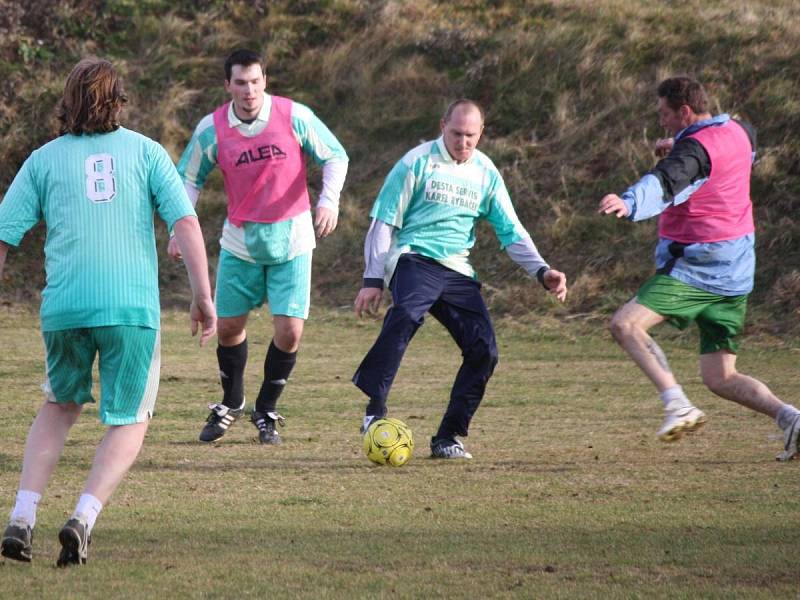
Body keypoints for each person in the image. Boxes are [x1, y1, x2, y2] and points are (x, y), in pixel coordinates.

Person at [0, 58, 216, 567]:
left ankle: (21, 517)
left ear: (67, 101)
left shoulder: (43, 159)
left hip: (65, 307)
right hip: (130, 307)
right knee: (129, 418)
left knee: (59, 406)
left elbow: (5, 234)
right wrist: (203, 294)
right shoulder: (146, 152)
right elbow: (184, 223)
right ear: (119, 100)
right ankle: (82, 518)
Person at [352, 99, 568, 460]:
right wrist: (372, 277)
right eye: (456, 133)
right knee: (406, 314)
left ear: (481, 133)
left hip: (457, 270)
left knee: (485, 351)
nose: (463, 142)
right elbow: (383, 222)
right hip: (414, 257)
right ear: (442, 126)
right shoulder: (416, 162)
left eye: (471, 135)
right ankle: (375, 411)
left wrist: (542, 271)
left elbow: (511, 230)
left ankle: (448, 437)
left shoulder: (486, 173)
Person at [598, 76, 800, 460]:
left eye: (665, 114)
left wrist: (628, 202)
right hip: (737, 272)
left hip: (701, 268)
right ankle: (792, 418)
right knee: (720, 377)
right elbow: (728, 153)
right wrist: (678, 145)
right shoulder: (738, 130)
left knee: (624, 325)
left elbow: (665, 181)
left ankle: (677, 405)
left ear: (685, 111)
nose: (662, 122)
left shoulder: (693, 152)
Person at [174, 49, 348, 445]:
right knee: (229, 327)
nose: (249, 90)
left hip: (294, 240)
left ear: (265, 81)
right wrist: (177, 230)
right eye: (240, 83)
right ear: (227, 86)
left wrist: (328, 201)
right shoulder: (212, 128)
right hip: (240, 243)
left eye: (255, 81)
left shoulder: (294, 116)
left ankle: (265, 409)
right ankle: (232, 402)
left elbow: (335, 156)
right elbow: (187, 179)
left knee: (289, 332)